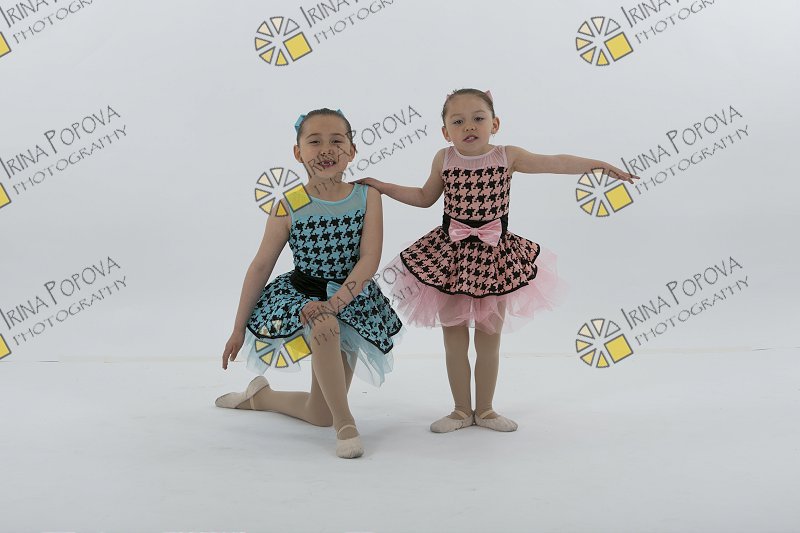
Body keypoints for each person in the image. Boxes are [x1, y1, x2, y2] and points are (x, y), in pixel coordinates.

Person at [357, 89, 638, 433]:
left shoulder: (508, 156)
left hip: (495, 259)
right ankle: (461, 410)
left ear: (495, 123)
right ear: (445, 131)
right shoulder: (444, 158)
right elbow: (423, 196)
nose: (469, 126)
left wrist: (600, 167)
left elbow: (556, 162)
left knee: (489, 340)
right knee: (454, 340)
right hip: (450, 259)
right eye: (458, 121)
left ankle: (486, 410)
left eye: (478, 118)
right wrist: (381, 185)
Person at [216, 108, 402, 459]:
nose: (326, 149)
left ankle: (261, 397)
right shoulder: (290, 204)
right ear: (298, 152)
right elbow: (261, 265)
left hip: (350, 295)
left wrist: (336, 302)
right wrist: (237, 329)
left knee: (319, 414)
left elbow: (369, 259)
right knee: (323, 321)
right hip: (300, 295)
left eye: (337, 141)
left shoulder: (366, 196)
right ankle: (346, 424)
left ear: (352, 151)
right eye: (315, 142)